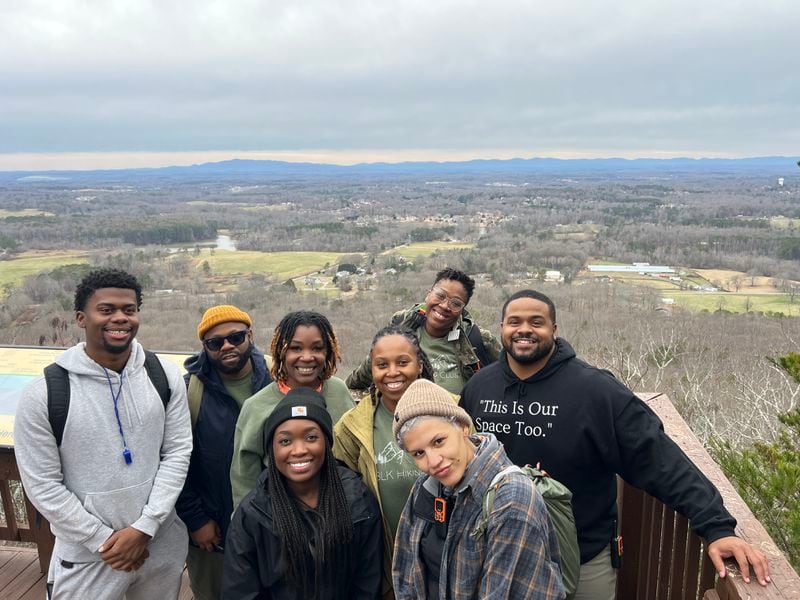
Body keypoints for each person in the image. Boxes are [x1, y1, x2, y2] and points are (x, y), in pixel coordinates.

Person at [460, 289, 771, 600]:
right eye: (514, 321)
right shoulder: (480, 387)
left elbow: (657, 457)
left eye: (536, 322)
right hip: (497, 549)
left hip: (583, 554)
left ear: (554, 330)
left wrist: (717, 528)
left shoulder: (594, 391)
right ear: (501, 327)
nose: (524, 329)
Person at [15, 268, 192, 599]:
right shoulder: (46, 393)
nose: (120, 318)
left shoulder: (164, 376)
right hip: (88, 555)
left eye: (129, 309)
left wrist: (145, 527)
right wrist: (102, 540)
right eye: (107, 310)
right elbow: (42, 484)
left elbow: (178, 452)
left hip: (160, 544)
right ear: (82, 318)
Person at [391, 378, 565, 599]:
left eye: (438, 441)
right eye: (419, 453)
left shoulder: (511, 500)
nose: (433, 461)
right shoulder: (426, 487)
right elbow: (406, 573)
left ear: (463, 427)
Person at [222, 387, 383, 599]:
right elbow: (240, 591)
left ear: (326, 443)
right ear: (272, 450)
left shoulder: (357, 501)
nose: (299, 450)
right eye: (285, 441)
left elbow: (367, 583)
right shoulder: (253, 513)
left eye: (311, 437)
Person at [176, 304, 273, 600]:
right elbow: (173, 461)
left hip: (274, 528)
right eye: (215, 343)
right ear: (205, 347)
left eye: (236, 337)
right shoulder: (189, 391)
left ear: (250, 336)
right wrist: (196, 520)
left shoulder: (277, 378)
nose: (227, 346)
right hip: (213, 533)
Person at [334, 325, 435, 598]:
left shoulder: (452, 411)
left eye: (403, 362)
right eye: (382, 365)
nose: (392, 373)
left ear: (420, 365)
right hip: (384, 564)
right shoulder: (353, 426)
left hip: (445, 560)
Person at [231, 310, 354, 508]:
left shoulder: (338, 391)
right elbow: (243, 479)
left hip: (341, 510)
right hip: (280, 517)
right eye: (295, 348)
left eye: (317, 348)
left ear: (328, 352)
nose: (307, 357)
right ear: (281, 352)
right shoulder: (256, 407)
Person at [346, 268, 501, 395]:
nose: (445, 306)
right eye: (440, 295)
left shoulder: (478, 340)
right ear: (429, 293)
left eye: (455, 303)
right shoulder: (402, 326)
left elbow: (509, 379)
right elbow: (357, 382)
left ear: (462, 309)